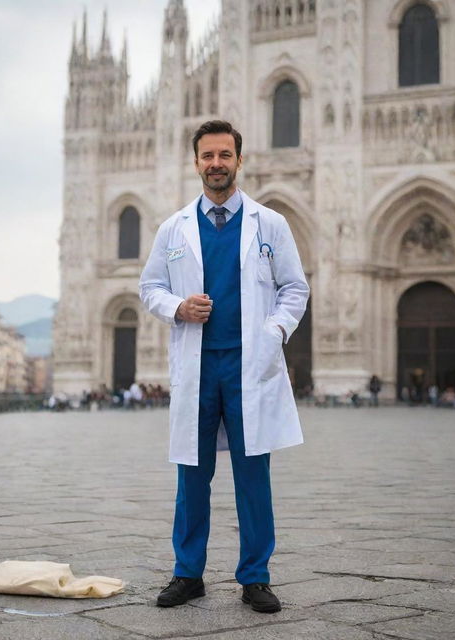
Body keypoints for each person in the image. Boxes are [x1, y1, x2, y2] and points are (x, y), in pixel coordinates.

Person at [139, 120, 309, 613]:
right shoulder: (173, 228)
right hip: (198, 367)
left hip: (247, 367)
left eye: (224, 155)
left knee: (253, 475)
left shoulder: (270, 223)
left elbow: (294, 288)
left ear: (239, 160)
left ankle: (255, 576)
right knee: (192, 475)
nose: (216, 164)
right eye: (207, 156)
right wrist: (177, 307)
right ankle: (188, 573)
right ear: (196, 163)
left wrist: (274, 332)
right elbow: (150, 288)